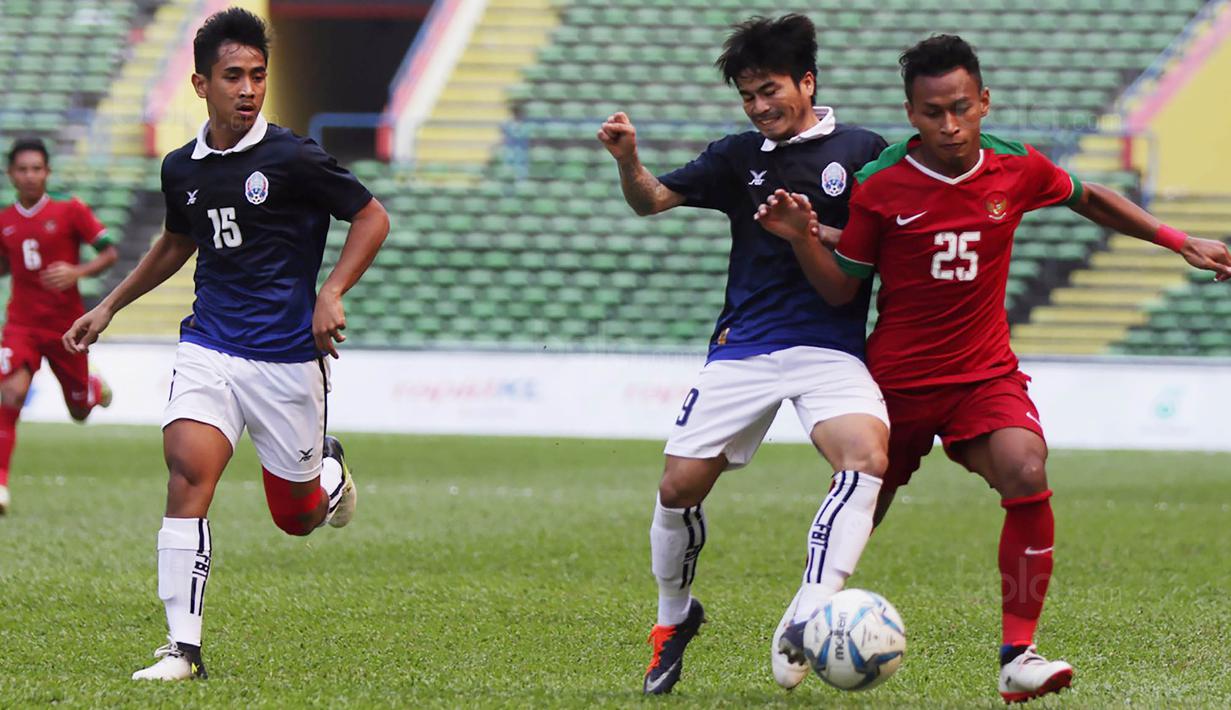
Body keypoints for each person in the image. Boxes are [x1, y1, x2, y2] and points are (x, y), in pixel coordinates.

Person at [757, 34, 1231, 703]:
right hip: (895, 382)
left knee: (1025, 470)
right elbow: (841, 289)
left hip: (983, 375)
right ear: (910, 113)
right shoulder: (882, 184)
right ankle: (806, 613)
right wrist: (807, 237)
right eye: (930, 113)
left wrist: (1178, 240)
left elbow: (1087, 197)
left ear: (982, 101)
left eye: (958, 107)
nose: (947, 125)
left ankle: (1017, 655)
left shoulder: (1016, 166)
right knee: (867, 500)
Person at [63, 7, 390, 680]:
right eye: (233, 76)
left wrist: (331, 294)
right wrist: (109, 305)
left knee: (294, 519)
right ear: (199, 84)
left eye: (258, 76)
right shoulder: (182, 167)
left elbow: (370, 215)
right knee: (186, 472)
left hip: (287, 362)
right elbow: (178, 241)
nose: (248, 89)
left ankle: (326, 472)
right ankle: (181, 649)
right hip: (209, 345)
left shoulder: (293, 156)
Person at [598, 14, 893, 695]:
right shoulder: (736, 156)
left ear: (806, 82)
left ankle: (811, 609)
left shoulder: (862, 151)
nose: (760, 107)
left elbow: (875, 241)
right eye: (748, 96)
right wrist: (627, 161)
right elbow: (652, 202)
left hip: (829, 346)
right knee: (677, 490)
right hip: (744, 347)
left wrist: (810, 228)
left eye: (769, 90)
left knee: (865, 458)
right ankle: (673, 619)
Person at [0, 137, 118, 515]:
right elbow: (7, 265)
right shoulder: (4, 221)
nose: (31, 175)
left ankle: (91, 387)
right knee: (9, 394)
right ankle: (0, 484)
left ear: (47, 172)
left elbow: (110, 252)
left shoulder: (70, 211)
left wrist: (77, 271)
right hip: (22, 324)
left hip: (67, 328)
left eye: (37, 168)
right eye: (23, 169)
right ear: (11, 174)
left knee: (79, 412)